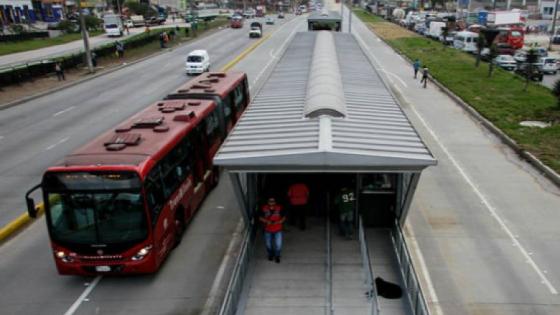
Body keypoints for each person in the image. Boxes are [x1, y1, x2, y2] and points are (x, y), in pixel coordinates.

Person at [259, 197, 286, 263]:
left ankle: (277, 256)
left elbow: (284, 217)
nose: (271, 202)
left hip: (278, 229)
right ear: (268, 202)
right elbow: (260, 217)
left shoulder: (279, 208)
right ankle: (270, 254)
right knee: (268, 244)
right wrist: (266, 221)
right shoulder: (264, 208)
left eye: (273, 201)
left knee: (278, 244)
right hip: (268, 230)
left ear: (275, 202)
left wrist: (279, 222)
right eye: (270, 201)